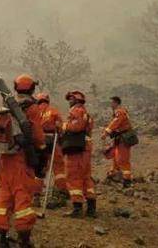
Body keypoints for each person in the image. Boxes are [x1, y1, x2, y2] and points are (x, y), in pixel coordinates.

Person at [0, 74, 45, 248]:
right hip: (20, 159)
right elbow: (38, 135)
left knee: (4, 198)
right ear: (32, 89)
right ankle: (24, 240)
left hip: (5, 158)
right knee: (22, 198)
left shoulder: (8, 105)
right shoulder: (32, 108)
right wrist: (41, 149)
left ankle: (1, 239)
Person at [62, 90, 96, 218]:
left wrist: (64, 126)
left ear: (77, 100)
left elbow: (76, 127)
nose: (69, 101)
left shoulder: (76, 111)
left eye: (71, 99)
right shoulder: (86, 112)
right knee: (85, 175)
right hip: (85, 146)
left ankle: (77, 207)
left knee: (73, 175)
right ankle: (91, 206)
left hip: (76, 146)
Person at [35, 93, 67, 193]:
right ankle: (61, 190)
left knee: (40, 168)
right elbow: (59, 127)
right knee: (58, 166)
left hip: (39, 142)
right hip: (52, 140)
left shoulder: (34, 112)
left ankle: (36, 193)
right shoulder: (53, 111)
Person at [102, 96, 133, 187]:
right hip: (119, 139)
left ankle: (127, 180)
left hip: (123, 139)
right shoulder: (119, 112)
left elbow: (115, 123)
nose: (111, 104)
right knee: (116, 158)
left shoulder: (120, 112)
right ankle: (113, 175)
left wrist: (106, 132)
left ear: (116, 103)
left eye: (112, 103)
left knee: (122, 159)